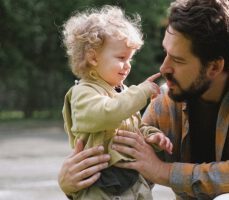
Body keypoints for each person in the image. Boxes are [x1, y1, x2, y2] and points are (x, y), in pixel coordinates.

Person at [58, 0, 229, 199]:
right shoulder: (169, 98)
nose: (164, 68)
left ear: (214, 66)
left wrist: (162, 170)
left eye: (179, 60)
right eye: (166, 53)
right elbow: (132, 167)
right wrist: (73, 183)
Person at [61, 5, 173, 200]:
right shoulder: (83, 93)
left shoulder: (123, 93)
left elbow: (134, 128)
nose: (128, 65)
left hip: (130, 179)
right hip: (99, 183)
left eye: (130, 59)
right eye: (121, 58)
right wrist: (142, 92)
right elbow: (108, 114)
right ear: (93, 57)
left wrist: (152, 136)